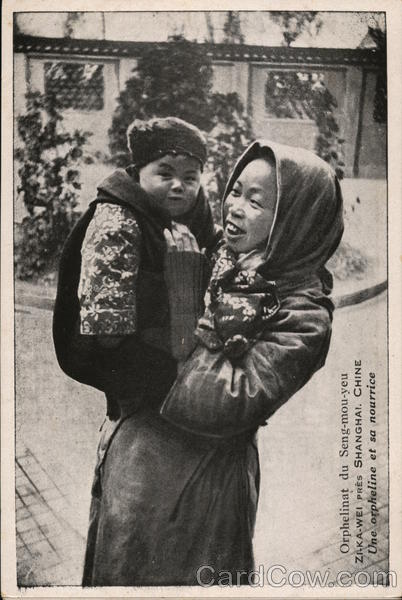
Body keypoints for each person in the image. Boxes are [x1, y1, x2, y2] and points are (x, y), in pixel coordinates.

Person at [52, 116, 219, 585]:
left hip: (172, 378)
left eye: (190, 177)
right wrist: (180, 291)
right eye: (164, 172)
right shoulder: (117, 220)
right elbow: (106, 331)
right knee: (131, 532)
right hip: (133, 384)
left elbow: (223, 259)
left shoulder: (194, 213)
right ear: (138, 170)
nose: (179, 186)